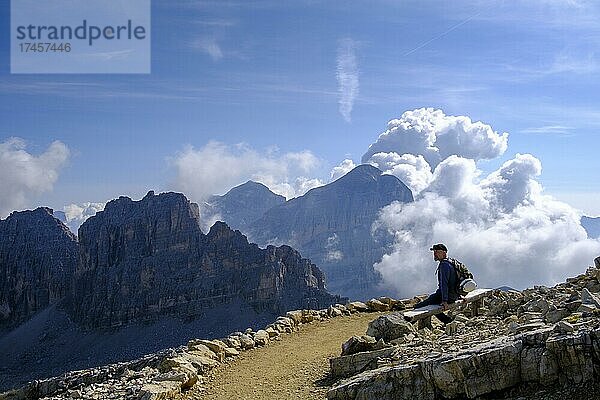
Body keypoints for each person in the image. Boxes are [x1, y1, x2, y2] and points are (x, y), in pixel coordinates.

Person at [413, 243, 458, 324]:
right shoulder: (451, 262)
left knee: (419, 307)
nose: (435, 254)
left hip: (447, 296)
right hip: (454, 295)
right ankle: (447, 320)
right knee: (431, 301)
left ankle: (405, 325)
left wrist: (444, 301)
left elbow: (444, 284)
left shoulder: (444, 265)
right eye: (434, 252)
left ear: (444, 252)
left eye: (437, 252)